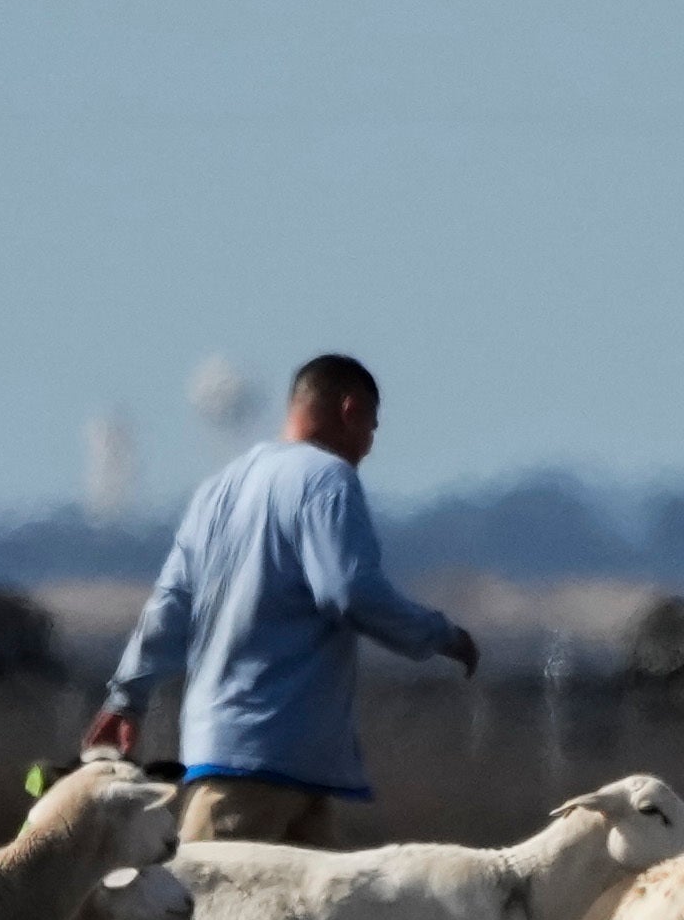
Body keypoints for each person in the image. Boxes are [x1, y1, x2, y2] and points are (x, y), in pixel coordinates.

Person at [79, 353, 478, 842]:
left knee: (286, 917)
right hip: (275, 761)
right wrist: (440, 635)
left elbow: (171, 605)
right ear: (350, 410)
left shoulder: (217, 491)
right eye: (371, 429)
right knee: (207, 909)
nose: (368, 447)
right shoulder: (328, 479)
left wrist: (127, 697)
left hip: (234, 753)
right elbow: (348, 591)